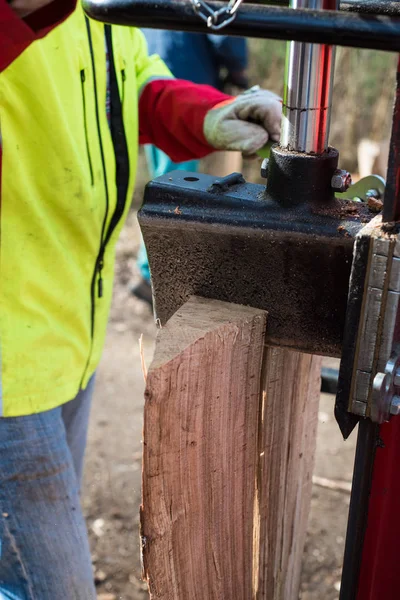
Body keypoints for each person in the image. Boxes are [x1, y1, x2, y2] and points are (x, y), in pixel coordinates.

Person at [0, 1, 281, 597]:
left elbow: (135, 86)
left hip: (65, 332)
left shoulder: (101, 7)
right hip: (8, 365)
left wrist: (210, 116)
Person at [132, 30, 249, 305]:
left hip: (149, 71)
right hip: (187, 78)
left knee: (162, 179)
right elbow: (225, 29)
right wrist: (238, 69)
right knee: (175, 187)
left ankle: (149, 268)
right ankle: (154, 273)